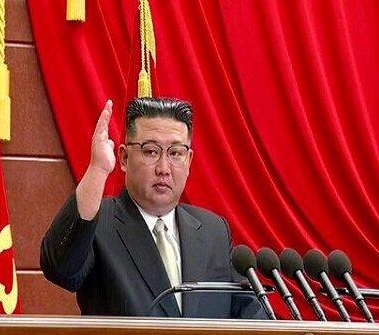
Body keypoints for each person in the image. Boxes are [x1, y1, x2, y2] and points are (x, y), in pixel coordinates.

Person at [41, 97, 265, 318]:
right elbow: (60, 269)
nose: (164, 168)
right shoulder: (100, 223)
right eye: (151, 151)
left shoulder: (213, 230)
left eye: (175, 153)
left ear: (189, 161)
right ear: (124, 158)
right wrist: (98, 169)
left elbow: (252, 317)